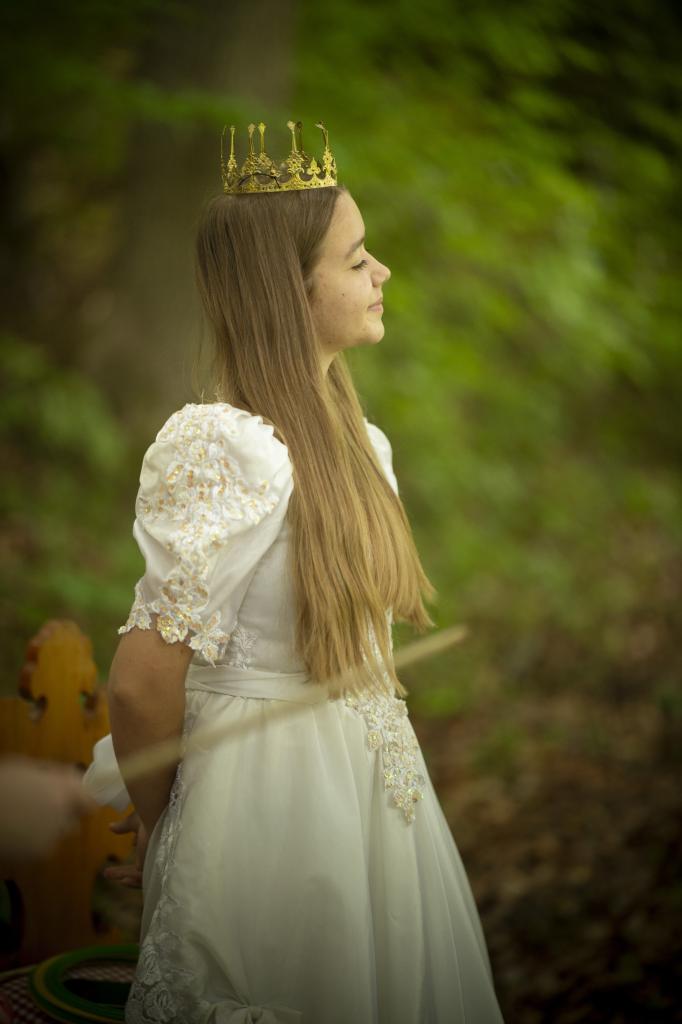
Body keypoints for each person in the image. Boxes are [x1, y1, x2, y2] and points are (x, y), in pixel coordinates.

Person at [83, 120, 505, 1023]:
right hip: (260, 813)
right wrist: (167, 823)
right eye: (356, 260)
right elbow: (143, 680)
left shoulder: (361, 446)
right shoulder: (224, 447)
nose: (382, 271)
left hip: (369, 804)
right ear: (290, 289)